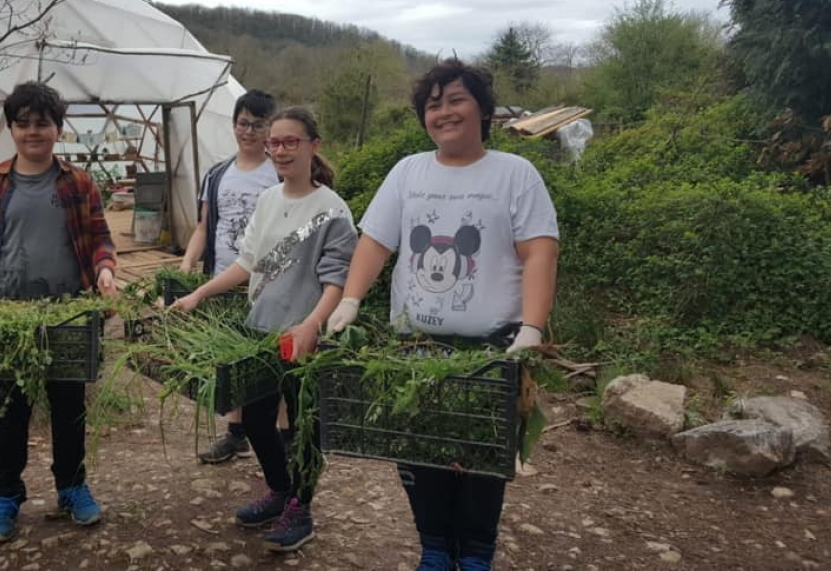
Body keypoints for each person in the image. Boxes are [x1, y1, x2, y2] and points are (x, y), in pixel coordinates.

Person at [326, 59, 559, 571]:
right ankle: (433, 547)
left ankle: (476, 554)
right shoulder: (409, 171)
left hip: (491, 348)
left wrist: (532, 328)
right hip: (414, 346)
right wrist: (350, 298)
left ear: (482, 108)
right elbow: (375, 242)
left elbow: (539, 252)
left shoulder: (515, 174)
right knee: (418, 449)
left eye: (456, 99)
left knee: (481, 459)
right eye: (433, 105)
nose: (444, 112)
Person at [0, 81, 118, 544]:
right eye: (24, 123)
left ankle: (72, 487)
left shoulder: (78, 182)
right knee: (8, 409)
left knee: (69, 406)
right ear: (11, 128)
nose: (34, 132)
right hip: (6, 314)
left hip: (66, 314)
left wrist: (106, 272)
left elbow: (99, 239)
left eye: (43, 123)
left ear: (58, 128)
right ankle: (6, 495)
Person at [172, 107, 358, 552]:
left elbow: (338, 280)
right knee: (255, 419)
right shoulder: (269, 200)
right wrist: (200, 293)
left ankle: (302, 509)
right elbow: (246, 263)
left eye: (291, 142)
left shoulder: (331, 209)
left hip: (304, 337)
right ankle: (280, 490)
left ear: (314, 146)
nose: (280, 150)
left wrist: (312, 325)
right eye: (275, 143)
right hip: (260, 332)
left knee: (304, 425)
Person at [179, 90, 290, 464]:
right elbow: (204, 226)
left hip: (268, 286)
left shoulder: (279, 172)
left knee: (272, 363)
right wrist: (187, 264)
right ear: (234, 125)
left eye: (258, 125)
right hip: (222, 279)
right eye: (243, 123)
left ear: (270, 129)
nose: (249, 131)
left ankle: (284, 438)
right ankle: (235, 434)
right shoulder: (217, 174)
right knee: (231, 361)